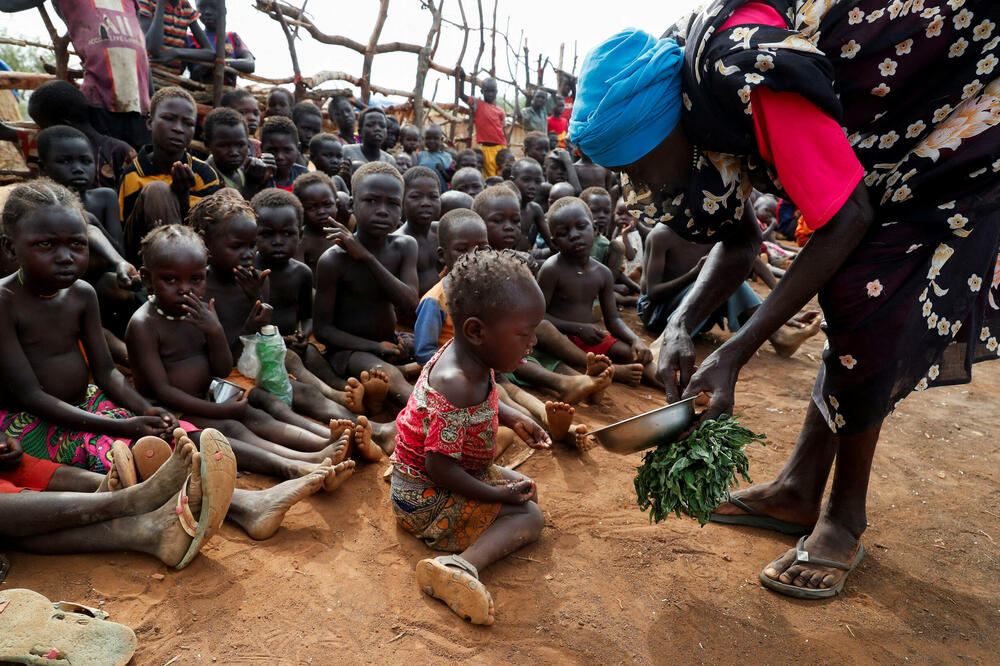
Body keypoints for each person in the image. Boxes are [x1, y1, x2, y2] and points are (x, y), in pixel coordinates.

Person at [571, 3, 1000, 599]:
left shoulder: (741, 76)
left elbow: (846, 217)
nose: (644, 185)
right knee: (849, 283)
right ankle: (799, 489)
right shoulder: (701, 111)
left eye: (640, 166)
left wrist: (737, 350)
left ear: (663, 127)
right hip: (884, 141)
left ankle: (843, 519)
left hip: (959, 102)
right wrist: (681, 328)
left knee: (860, 293)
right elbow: (742, 238)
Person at [124, 223, 369, 481]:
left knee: (256, 409)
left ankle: (321, 443)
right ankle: (295, 464)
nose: (185, 288)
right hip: (170, 412)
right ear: (148, 279)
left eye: (195, 279)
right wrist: (223, 411)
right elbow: (164, 392)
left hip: (206, 397)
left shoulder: (199, 312)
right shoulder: (144, 325)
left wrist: (215, 331)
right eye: (170, 279)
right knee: (229, 428)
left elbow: (220, 368)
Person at [390, 248, 550, 626]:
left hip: (454, 472)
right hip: (425, 493)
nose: (533, 343)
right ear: (476, 330)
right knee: (529, 517)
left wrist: (511, 416)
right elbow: (439, 467)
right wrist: (494, 494)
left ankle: (476, 534)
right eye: (524, 334)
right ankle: (458, 568)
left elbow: (482, 405)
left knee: (526, 489)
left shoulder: (473, 357)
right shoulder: (457, 383)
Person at [0, 179, 177, 473]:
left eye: (77, 244)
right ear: (10, 248)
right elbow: (30, 395)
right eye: (45, 244)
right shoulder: (5, 302)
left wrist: (143, 408)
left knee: (166, 437)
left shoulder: (82, 294)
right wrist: (126, 427)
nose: (66, 256)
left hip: (85, 405)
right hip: (26, 417)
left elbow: (107, 372)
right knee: (116, 458)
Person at [313, 162, 418, 409]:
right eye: (371, 201)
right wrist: (375, 347)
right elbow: (323, 330)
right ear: (351, 205)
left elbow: (411, 304)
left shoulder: (404, 247)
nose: (382, 211)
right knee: (389, 376)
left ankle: (398, 369)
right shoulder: (333, 260)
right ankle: (429, 419)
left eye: (392, 203)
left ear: (401, 210)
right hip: (350, 351)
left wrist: (367, 258)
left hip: (390, 341)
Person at [537, 197, 660, 387]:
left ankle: (673, 387)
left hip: (591, 338)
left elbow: (613, 319)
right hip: (561, 337)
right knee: (550, 335)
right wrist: (578, 328)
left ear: (594, 230)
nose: (574, 235)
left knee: (636, 354)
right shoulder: (552, 269)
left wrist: (636, 340)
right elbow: (539, 317)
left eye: (581, 227)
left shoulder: (602, 273)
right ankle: (611, 370)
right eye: (563, 233)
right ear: (554, 241)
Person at [0, 0, 153, 149]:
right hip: (101, 97)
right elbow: (8, 4)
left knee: (140, 164)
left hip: (140, 102)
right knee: (97, 155)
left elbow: (140, 52)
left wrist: (151, 101)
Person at [118, 86, 223, 264]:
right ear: (150, 123)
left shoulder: (203, 173)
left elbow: (206, 232)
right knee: (157, 191)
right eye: (168, 119)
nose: (178, 129)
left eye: (187, 123)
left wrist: (183, 197)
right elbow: (128, 234)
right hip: (146, 256)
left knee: (227, 197)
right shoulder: (133, 174)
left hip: (198, 254)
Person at [0, 80, 137, 191]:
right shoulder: (121, 150)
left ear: (63, 124)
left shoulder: (120, 154)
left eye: (43, 127)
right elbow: (7, 132)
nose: (40, 132)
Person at [394, 166, 441, 297]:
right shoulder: (398, 242)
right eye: (416, 197)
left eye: (433, 196)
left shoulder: (442, 232)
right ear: (402, 200)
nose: (426, 203)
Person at [184, 0, 255, 86]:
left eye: (214, 7)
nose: (207, 12)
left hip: (228, 94)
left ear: (224, 11)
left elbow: (250, 65)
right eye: (201, 7)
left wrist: (220, 63)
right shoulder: (190, 38)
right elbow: (181, 71)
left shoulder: (232, 37)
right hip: (197, 92)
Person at [138, 0, 212, 79]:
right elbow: (153, 49)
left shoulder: (185, 7)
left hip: (171, 82)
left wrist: (176, 53)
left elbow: (210, 53)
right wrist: (161, 4)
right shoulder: (147, 2)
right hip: (147, 80)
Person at [202, 107, 267, 196]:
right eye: (224, 146)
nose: (234, 152)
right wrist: (251, 185)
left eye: (240, 145)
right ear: (207, 144)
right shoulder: (204, 177)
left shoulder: (244, 172)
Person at [294, 171, 349, 274]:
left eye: (327, 204)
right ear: (301, 210)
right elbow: (300, 278)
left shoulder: (342, 235)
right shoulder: (300, 241)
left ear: (336, 204)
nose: (321, 212)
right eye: (312, 207)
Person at [456, 71, 507, 178]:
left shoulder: (500, 111)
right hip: (487, 148)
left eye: (492, 91)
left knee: (502, 174)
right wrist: (463, 79)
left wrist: (507, 148)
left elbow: (503, 131)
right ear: (482, 91)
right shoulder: (478, 104)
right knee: (489, 176)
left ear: (496, 92)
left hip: (501, 147)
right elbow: (461, 95)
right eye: (487, 91)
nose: (490, 94)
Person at [259, 115, 308, 192]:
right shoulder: (257, 178)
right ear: (261, 149)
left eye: (287, 150)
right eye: (272, 150)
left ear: (298, 149)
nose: (279, 157)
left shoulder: (304, 176)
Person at [510, 158, 546, 252]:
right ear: (512, 181)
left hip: (526, 259)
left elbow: (552, 244)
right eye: (526, 180)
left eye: (538, 181)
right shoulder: (503, 208)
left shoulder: (535, 209)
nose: (532, 186)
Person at [221, 88, 262, 157]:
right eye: (243, 112)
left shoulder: (257, 146)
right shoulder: (220, 147)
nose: (252, 118)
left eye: (255, 113)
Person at [416, 124, 454, 192]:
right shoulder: (419, 156)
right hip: (421, 191)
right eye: (428, 138)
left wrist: (442, 171)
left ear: (441, 139)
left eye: (435, 138)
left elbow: (450, 179)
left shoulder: (446, 157)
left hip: (441, 192)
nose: (431, 141)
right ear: (423, 139)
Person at [291, 101, 324, 167]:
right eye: (306, 129)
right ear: (293, 125)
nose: (310, 136)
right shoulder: (285, 159)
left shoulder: (312, 163)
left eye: (315, 131)